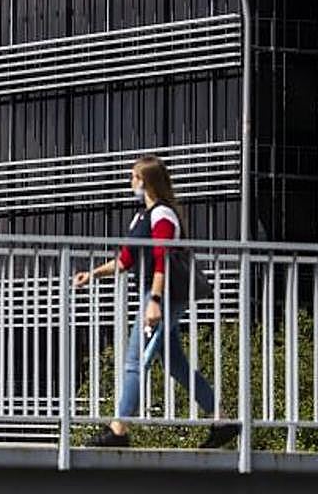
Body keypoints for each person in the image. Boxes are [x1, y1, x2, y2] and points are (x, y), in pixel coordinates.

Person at [74, 155, 240, 449]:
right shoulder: (142, 217)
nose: (131, 182)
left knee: (135, 362)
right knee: (176, 365)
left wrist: (154, 300)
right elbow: (125, 261)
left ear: (146, 181)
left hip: (162, 298)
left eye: (134, 177)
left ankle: (119, 429)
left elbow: (163, 258)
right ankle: (222, 421)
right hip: (154, 296)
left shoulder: (164, 215)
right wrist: (93, 274)